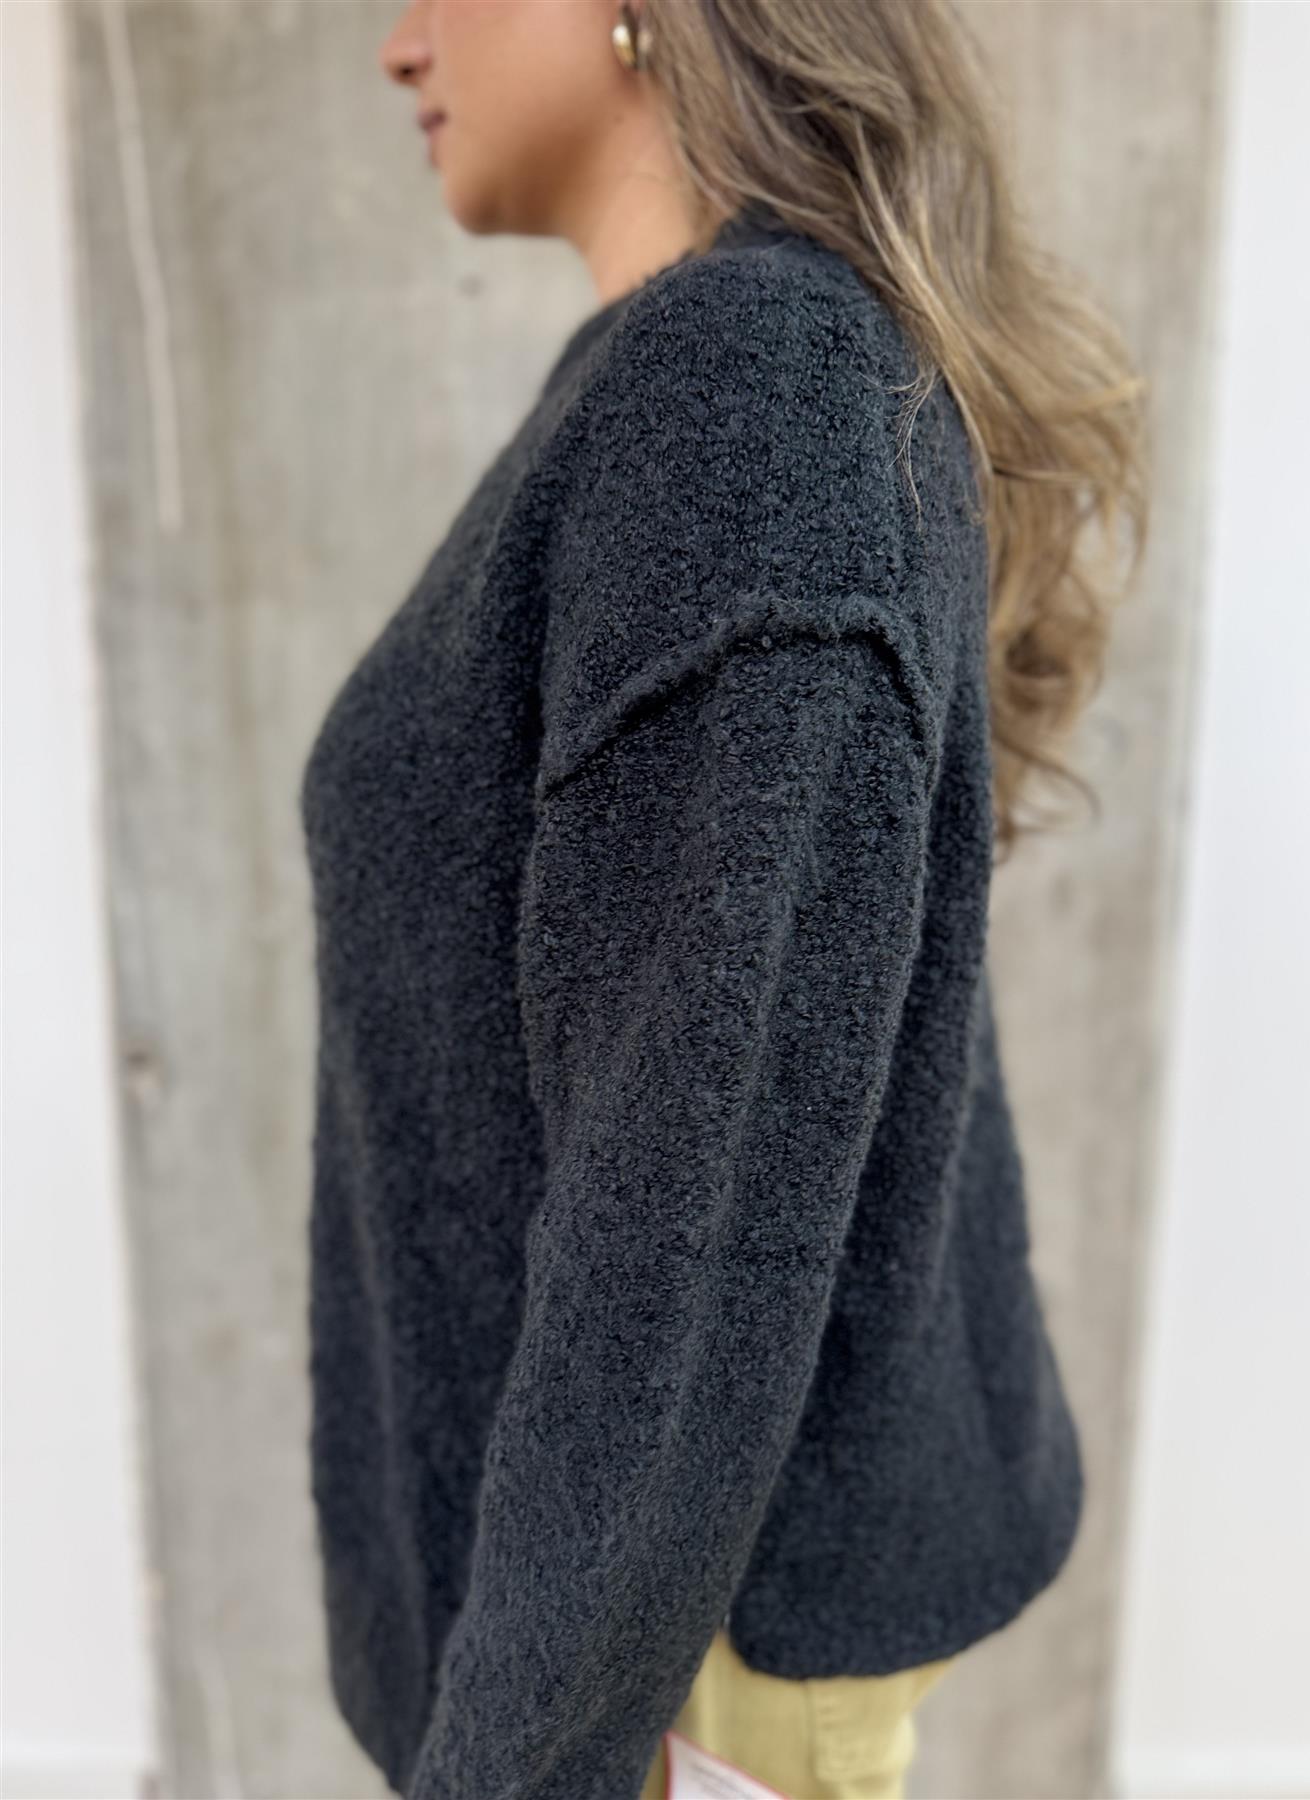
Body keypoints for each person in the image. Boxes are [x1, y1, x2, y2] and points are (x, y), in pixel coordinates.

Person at [299, 3, 1149, 1797]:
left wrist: (532, 1761)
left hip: (665, 1656)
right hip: (636, 1616)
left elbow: (689, 1200)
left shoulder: (752, 387)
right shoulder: (687, 381)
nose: (397, 45)